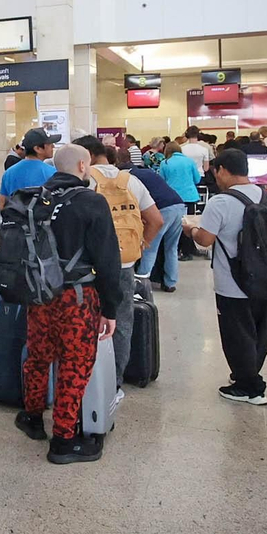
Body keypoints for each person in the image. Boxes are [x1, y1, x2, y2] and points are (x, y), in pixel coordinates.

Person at [14, 144, 122, 464]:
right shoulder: (91, 201)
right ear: (82, 166)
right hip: (77, 298)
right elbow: (108, 261)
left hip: (38, 295)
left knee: (38, 357)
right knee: (74, 363)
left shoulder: (33, 199)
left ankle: (32, 417)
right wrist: (110, 308)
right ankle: (63, 440)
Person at [183, 150, 267, 406]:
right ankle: (248, 374)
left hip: (232, 280)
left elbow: (206, 240)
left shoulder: (221, 202)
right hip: (265, 277)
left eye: (216, 172)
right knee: (259, 330)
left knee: (237, 333)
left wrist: (191, 229)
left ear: (223, 170)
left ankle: (249, 387)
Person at [76, 136, 162, 389]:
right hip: (123, 264)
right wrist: (141, 244)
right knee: (121, 322)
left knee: (85, 322)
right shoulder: (131, 180)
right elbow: (156, 220)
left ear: (88, 155)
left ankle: (86, 380)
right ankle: (114, 381)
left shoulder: (84, 180)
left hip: (87, 266)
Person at [129, 157, 188, 293]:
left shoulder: (129, 178)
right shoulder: (147, 172)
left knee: (150, 247)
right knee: (171, 248)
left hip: (163, 209)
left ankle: (141, 283)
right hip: (179, 205)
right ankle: (170, 283)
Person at [0, 128, 60, 209]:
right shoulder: (53, 173)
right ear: (38, 149)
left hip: (17, 216)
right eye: (49, 144)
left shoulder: (9, 173)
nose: (53, 146)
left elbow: (2, 204)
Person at [160, 142, 202, 213]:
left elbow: (162, 181)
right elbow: (197, 179)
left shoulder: (164, 163)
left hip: (172, 197)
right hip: (189, 196)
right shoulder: (190, 161)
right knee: (190, 218)